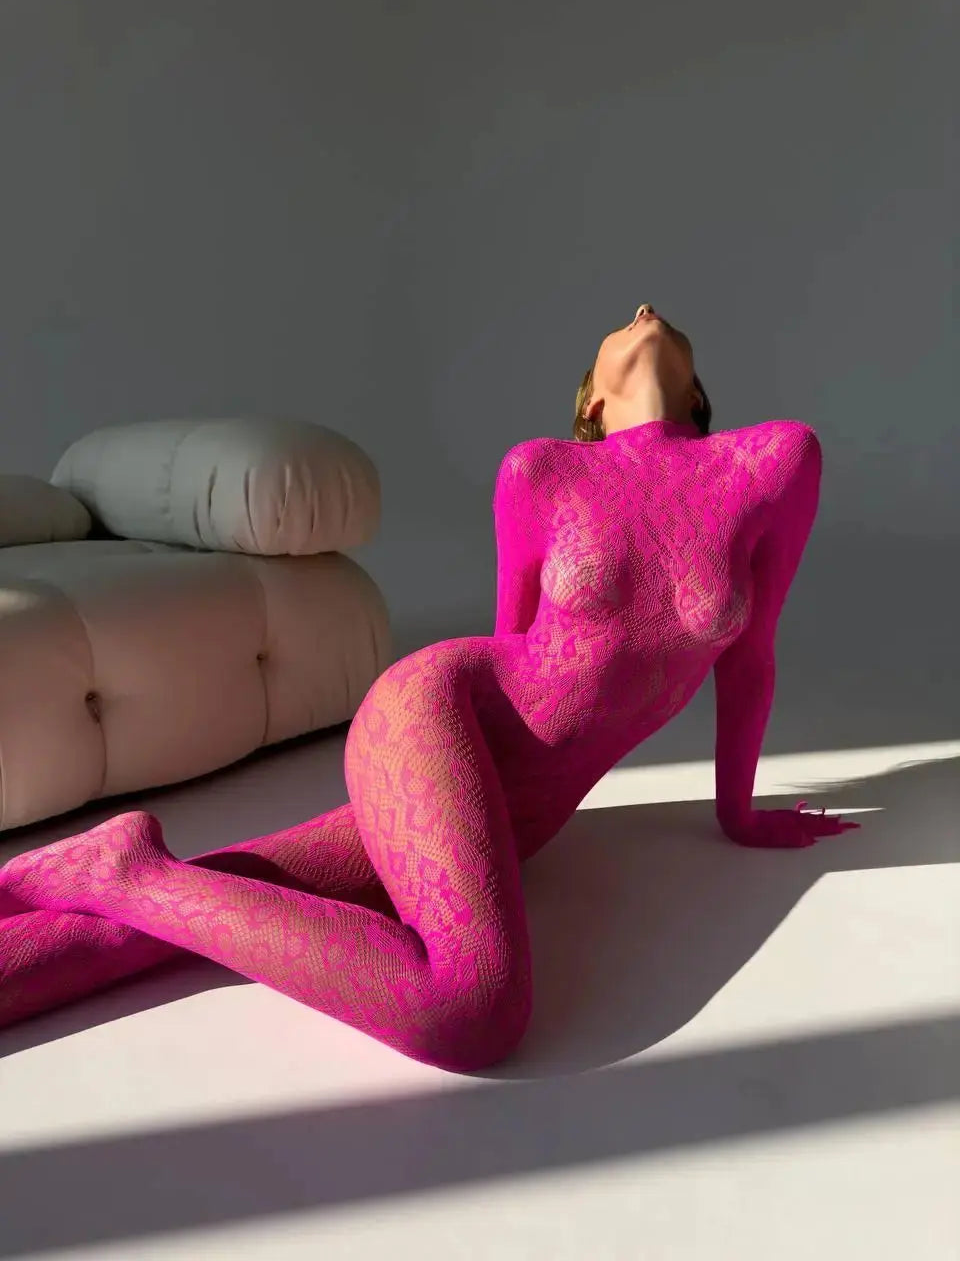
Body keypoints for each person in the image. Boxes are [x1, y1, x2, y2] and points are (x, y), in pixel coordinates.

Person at [0, 303, 859, 1069]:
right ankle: (131, 871)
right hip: (442, 711)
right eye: (617, 325)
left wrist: (739, 817)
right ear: (591, 405)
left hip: (519, 809)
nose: (642, 308)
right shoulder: (542, 470)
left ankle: (88, 883)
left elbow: (751, 658)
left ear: (699, 394)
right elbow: (509, 645)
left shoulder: (774, 460)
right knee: (472, 1009)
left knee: (165, 929)